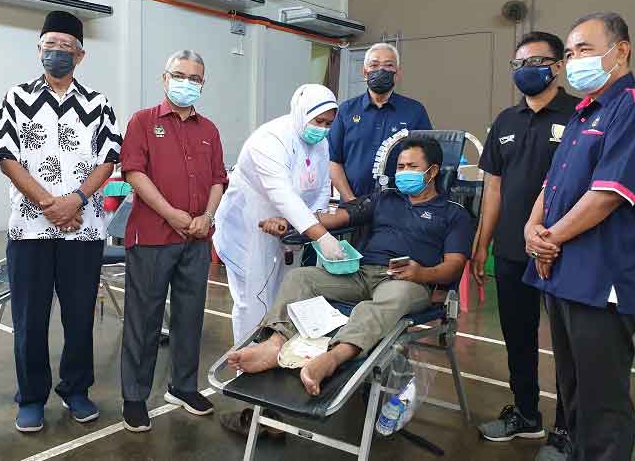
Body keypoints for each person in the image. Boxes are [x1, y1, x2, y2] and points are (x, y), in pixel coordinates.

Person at [523, 12, 635, 461]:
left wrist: (548, 239)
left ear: (620, 50)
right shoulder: (583, 114)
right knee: (572, 390)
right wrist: (532, 228)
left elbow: (607, 195)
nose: (574, 61)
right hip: (563, 274)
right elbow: (552, 184)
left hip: (602, 278)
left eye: (584, 50)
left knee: (601, 401)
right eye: (569, 54)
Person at [230, 137, 473, 395]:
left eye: (412, 167)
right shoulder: (384, 199)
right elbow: (335, 218)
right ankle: (275, 343)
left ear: (432, 171)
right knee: (300, 278)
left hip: (408, 281)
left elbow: (454, 266)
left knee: (379, 305)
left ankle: (332, 358)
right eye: (400, 167)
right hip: (361, 273)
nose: (403, 173)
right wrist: (291, 221)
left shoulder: (453, 213)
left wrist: (421, 273)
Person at [0, 11, 122, 433]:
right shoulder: (16, 98)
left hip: (83, 227)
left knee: (79, 316)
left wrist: (75, 200)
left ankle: (76, 389)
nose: (58, 52)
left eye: (67, 47)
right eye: (51, 45)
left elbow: (109, 159)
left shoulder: (98, 103)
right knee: (30, 319)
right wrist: (50, 203)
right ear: (39, 49)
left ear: (80, 56)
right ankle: (31, 398)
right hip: (30, 228)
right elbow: (5, 156)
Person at [474, 32, 578, 460]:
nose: (526, 70)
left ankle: (567, 429)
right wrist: (482, 245)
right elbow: (493, 189)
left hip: (563, 252)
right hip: (512, 253)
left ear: (558, 66)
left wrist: (558, 237)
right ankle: (526, 414)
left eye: (536, 62)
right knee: (518, 337)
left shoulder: (580, 114)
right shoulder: (505, 121)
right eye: (519, 64)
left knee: (569, 345)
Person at [120, 50, 227, 432]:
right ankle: (135, 397)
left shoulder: (209, 130)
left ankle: (182, 387)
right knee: (144, 318)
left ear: (203, 84)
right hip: (152, 237)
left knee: (190, 316)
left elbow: (219, 179)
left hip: (197, 238)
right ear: (164, 79)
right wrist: (170, 213)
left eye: (194, 78)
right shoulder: (143, 121)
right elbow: (134, 172)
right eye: (179, 75)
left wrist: (207, 218)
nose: (186, 83)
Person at [214, 84, 341, 344]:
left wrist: (311, 220)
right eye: (319, 121)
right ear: (302, 113)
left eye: (329, 123)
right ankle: (246, 355)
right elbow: (281, 193)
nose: (323, 129)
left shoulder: (320, 143)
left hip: (292, 225)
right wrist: (321, 235)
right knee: (254, 297)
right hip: (251, 224)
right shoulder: (271, 139)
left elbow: (320, 187)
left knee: (285, 293)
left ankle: (273, 352)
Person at [329, 42, 432, 202]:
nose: (381, 70)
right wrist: (351, 201)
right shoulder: (346, 110)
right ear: (365, 73)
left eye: (388, 65)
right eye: (374, 65)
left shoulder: (415, 111)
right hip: (353, 206)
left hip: (401, 206)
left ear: (397, 73)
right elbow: (334, 161)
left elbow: (427, 161)